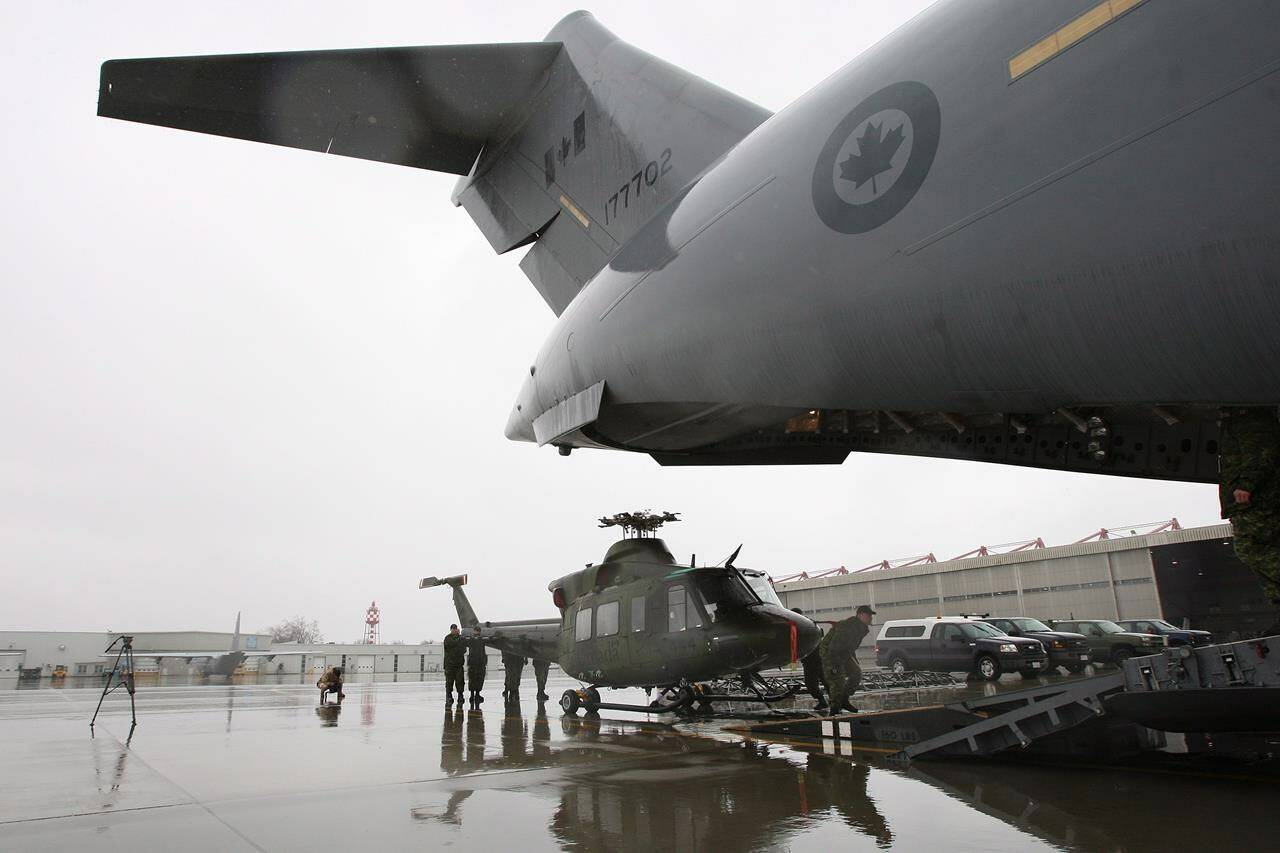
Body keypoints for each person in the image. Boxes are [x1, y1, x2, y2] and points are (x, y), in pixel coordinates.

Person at [1219, 407, 1280, 629]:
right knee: (1260, 558)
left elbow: (1263, 453)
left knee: (1248, 549)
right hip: (1250, 503)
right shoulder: (1238, 423)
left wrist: (1246, 484)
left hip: (1257, 502)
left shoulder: (1251, 422)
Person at [819, 605, 874, 715]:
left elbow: (850, 647)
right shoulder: (848, 626)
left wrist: (853, 661)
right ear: (860, 615)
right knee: (837, 680)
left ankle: (844, 700)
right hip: (830, 653)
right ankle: (834, 709)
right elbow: (834, 646)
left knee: (856, 673)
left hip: (843, 653)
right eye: (868, 616)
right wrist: (835, 666)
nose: (870, 618)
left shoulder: (860, 628)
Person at [792, 608, 829, 710]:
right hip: (808, 661)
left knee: (826, 681)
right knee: (810, 683)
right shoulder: (794, 627)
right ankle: (822, 701)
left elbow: (820, 633)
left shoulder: (808, 624)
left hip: (818, 658)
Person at [442, 624, 466, 705]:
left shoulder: (461, 638)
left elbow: (464, 649)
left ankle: (460, 695)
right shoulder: (448, 638)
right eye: (453, 629)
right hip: (449, 665)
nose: (455, 630)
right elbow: (451, 644)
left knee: (460, 681)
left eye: (456, 629)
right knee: (449, 681)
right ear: (451, 630)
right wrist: (458, 637)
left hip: (458, 664)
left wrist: (459, 637)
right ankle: (449, 696)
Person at [466, 626, 487, 706]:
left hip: (480, 663)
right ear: (473, 631)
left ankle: (477, 694)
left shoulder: (482, 640)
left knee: (479, 678)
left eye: (478, 631)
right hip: (473, 663)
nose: (477, 633)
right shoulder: (471, 640)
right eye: (476, 631)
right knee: (472, 678)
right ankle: (472, 695)